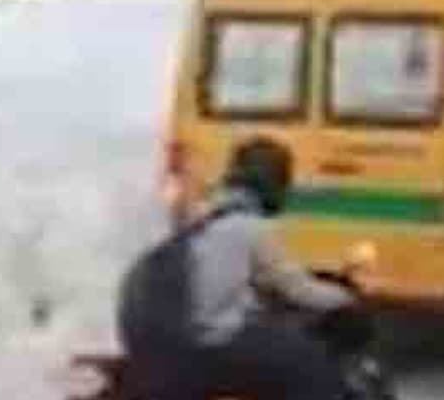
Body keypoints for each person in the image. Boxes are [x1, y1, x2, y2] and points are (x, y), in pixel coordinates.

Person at [132, 138, 359, 400]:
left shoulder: (202, 213)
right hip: (209, 342)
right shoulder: (250, 226)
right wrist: (347, 296)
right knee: (308, 357)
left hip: (161, 338)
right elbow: (299, 290)